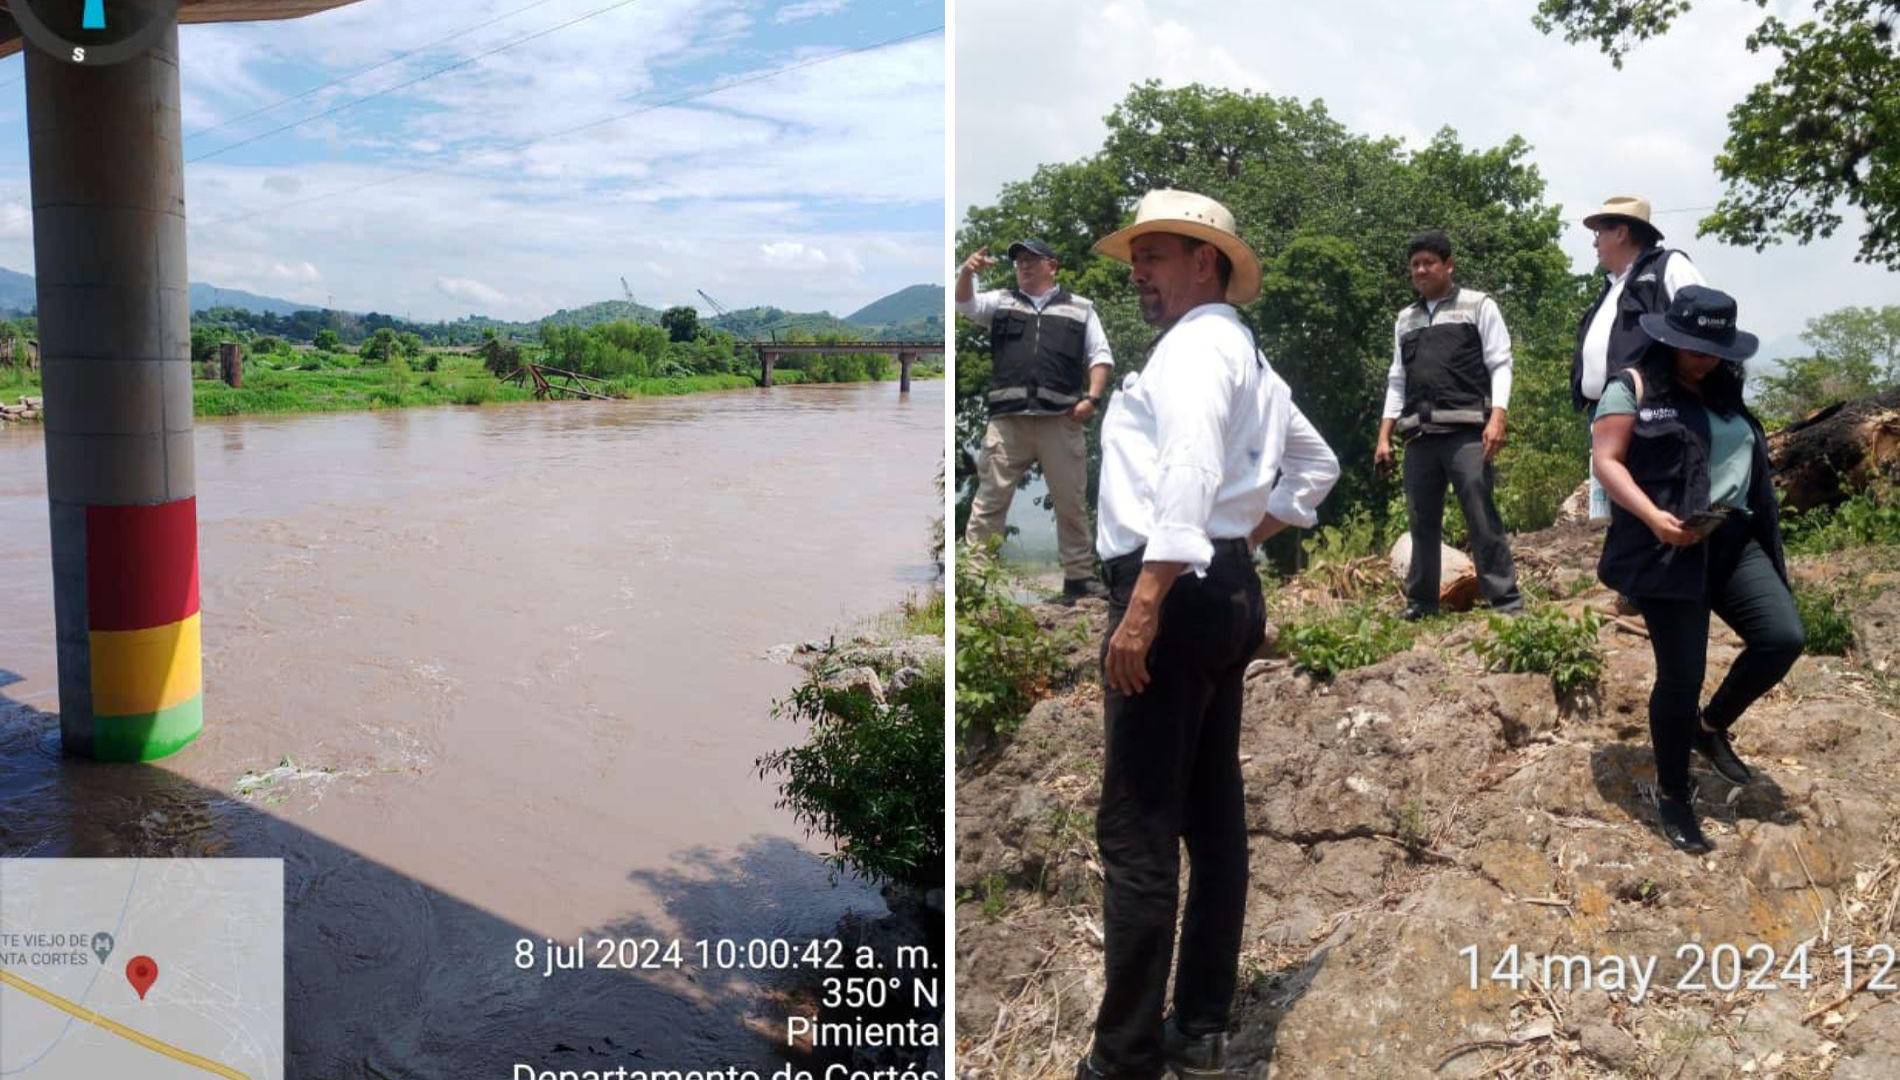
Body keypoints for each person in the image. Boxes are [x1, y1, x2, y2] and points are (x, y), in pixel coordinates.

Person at [1081, 190, 1339, 1080]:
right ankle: (1201, 1023)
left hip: (1173, 590)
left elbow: (1189, 464)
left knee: (1138, 831)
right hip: (1224, 588)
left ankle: (1124, 1057)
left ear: (1207, 263)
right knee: (1213, 818)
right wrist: (1239, 543)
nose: (1140, 272)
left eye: (1157, 255)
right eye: (1137, 257)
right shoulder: (1251, 360)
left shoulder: (1194, 350)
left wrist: (1147, 599)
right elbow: (1316, 467)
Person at [1591, 285, 1802, 854]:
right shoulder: (1633, 385)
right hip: (1667, 547)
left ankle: (1708, 729)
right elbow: (1606, 462)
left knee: (1783, 637)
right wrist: (1653, 517)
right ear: (1669, 337)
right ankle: (1674, 794)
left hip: (1731, 539)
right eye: (1691, 345)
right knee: (1681, 677)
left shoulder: (1726, 395)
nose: (1702, 357)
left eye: (1713, 348)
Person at [1375, 230, 1522, 619]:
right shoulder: (1405, 320)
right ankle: (1421, 603)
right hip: (1419, 434)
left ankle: (1505, 600)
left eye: (1429, 263)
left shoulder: (1478, 305)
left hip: (1466, 431)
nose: (1421, 270)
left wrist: (1498, 417)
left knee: (1480, 512)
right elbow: (1396, 379)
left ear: (1448, 265)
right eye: (1415, 265)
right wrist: (1384, 435)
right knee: (1421, 520)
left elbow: (1500, 363)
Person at [956, 238, 1113, 601]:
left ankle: (1078, 577)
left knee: (1070, 501)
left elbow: (1100, 355)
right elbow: (964, 303)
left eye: (1032, 260)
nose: (1023, 266)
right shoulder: (1001, 302)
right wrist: (966, 271)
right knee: (990, 501)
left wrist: (1092, 398)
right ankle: (974, 581)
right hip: (1008, 420)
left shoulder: (1081, 308)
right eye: (1019, 261)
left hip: (1060, 418)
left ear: (1052, 266)